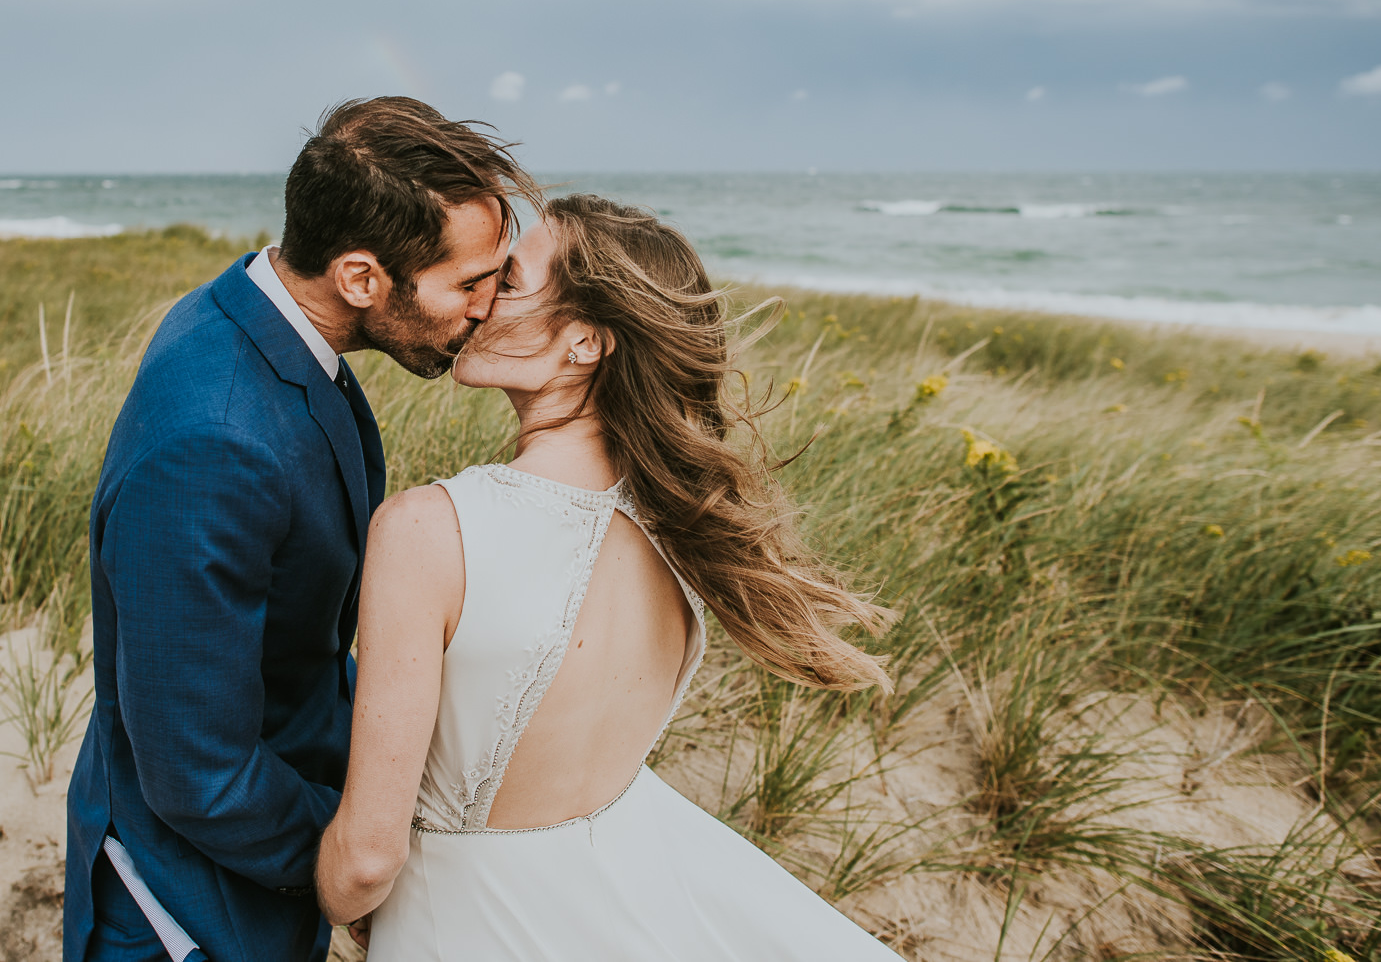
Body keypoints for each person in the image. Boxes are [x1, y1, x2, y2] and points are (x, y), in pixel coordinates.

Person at [314, 194, 906, 960]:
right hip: (623, 894)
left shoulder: (431, 530)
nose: (482, 299)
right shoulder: (686, 523)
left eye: (512, 280)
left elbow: (365, 861)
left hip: (462, 924)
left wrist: (332, 897)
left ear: (586, 343)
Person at [65, 98, 538, 962]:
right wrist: (355, 860)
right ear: (361, 278)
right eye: (469, 282)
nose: (488, 305)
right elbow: (198, 775)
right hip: (188, 913)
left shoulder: (265, 318)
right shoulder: (213, 446)